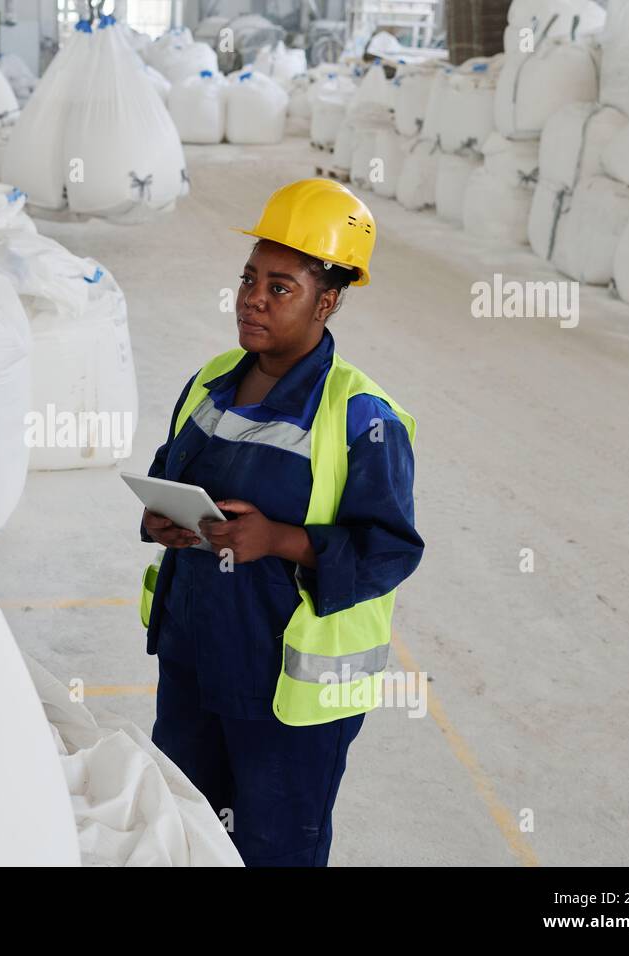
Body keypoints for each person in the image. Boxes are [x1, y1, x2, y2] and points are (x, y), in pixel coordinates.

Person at [137, 178, 424, 866]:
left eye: (279, 288)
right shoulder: (211, 380)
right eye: (248, 279)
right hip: (195, 655)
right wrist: (161, 522)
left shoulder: (362, 416)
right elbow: (168, 477)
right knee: (187, 823)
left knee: (272, 846)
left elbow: (389, 550)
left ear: (327, 301)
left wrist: (279, 541)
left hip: (284, 690)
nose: (252, 300)